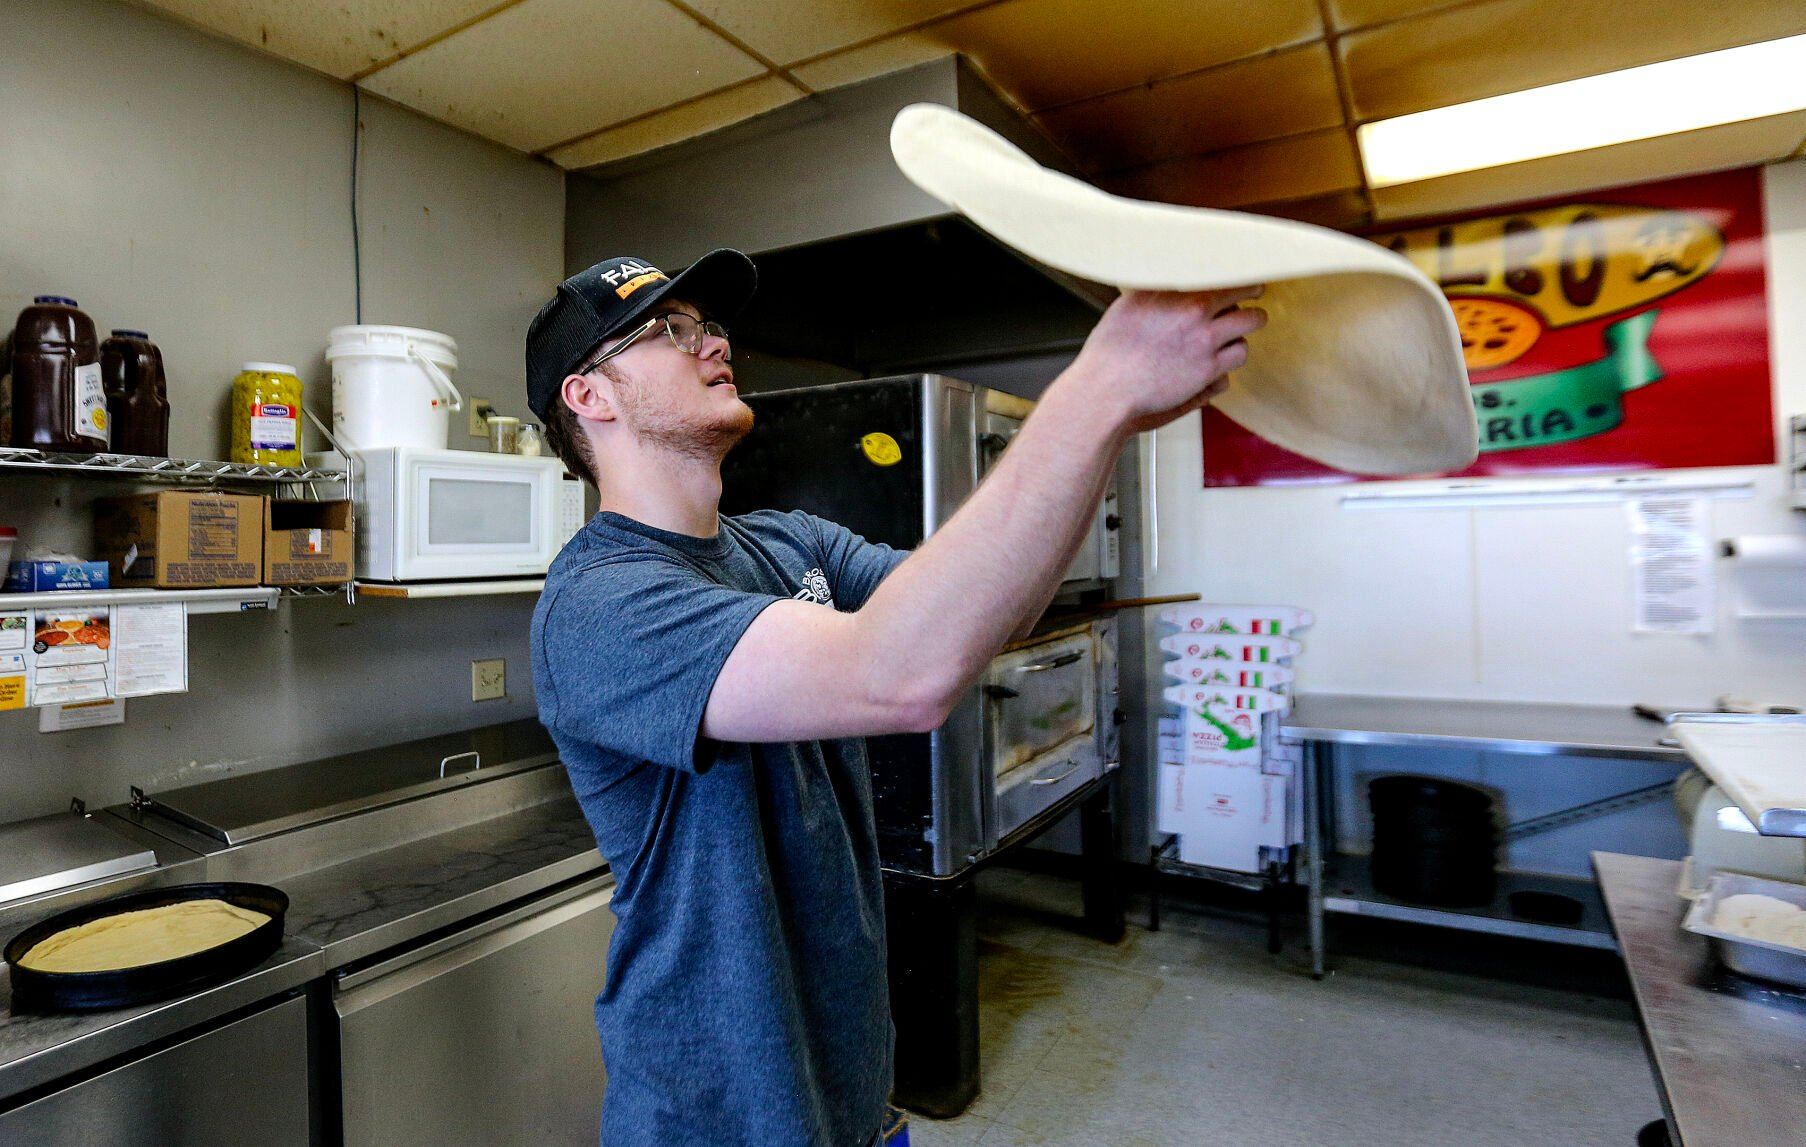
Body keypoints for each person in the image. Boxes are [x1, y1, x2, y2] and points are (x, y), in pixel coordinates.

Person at [525, 249, 1264, 1147]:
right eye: (670, 330)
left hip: (854, 1088)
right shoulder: (600, 604)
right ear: (589, 398)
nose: (713, 342)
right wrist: (1096, 388)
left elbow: (980, 613)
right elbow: (901, 673)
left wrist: (1110, 427)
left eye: (710, 325)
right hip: (719, 1113)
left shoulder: (788, 544)